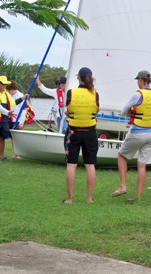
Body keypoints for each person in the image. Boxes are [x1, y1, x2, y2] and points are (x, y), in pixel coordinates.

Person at [111, 70, 151, 201]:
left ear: (140, 79)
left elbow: (123, 110)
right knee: (142, 164)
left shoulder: (138, 94)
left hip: (137, 132)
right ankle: (138, 197)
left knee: (122, 156)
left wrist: (130, 114)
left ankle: (123, 186)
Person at [63, 67, 99, 204]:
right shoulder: (95, 94)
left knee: (71, 165)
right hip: (90, 132)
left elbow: (68, 108)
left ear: (79, 78)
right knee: (90, 165)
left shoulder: (71, 92)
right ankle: (89, 198)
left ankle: (70, 198)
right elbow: (96, 109)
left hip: (74, 132)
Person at [0, 76, 24, 162]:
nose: (5, 86)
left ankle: (1, 156)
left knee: (3, 137)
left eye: (6, 85)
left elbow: (13, 103)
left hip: (4, 118)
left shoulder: (6, 93)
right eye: (4, 84)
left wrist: (23, 97)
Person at [7, 80, 34, 159]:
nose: (8, 92)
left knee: (17, 138)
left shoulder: (20, 95)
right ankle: (15, 153)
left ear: (12, 89)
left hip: (17, 120)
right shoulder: (8, 95)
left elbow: (23, 109)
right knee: (12, 137)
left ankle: (17, 153)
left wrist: (21, 122)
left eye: (9, 91)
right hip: (10, 119)